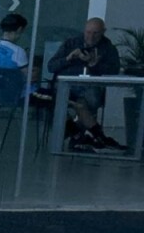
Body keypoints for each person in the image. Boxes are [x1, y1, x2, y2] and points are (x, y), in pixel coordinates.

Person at [48, 17, 123, 150]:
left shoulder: (108, 48)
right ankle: (98, 137)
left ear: (103, 32)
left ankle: (77, 135)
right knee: (76, 104)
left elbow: (113, 70)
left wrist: (94, 64)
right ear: (84, 30)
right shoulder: (71, 43)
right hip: (65, 87)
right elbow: (51, 66)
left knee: (86, 102)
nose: (91, 37)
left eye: (95, 33)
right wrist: (68, 58)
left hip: (89, 87)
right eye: (88, 32)